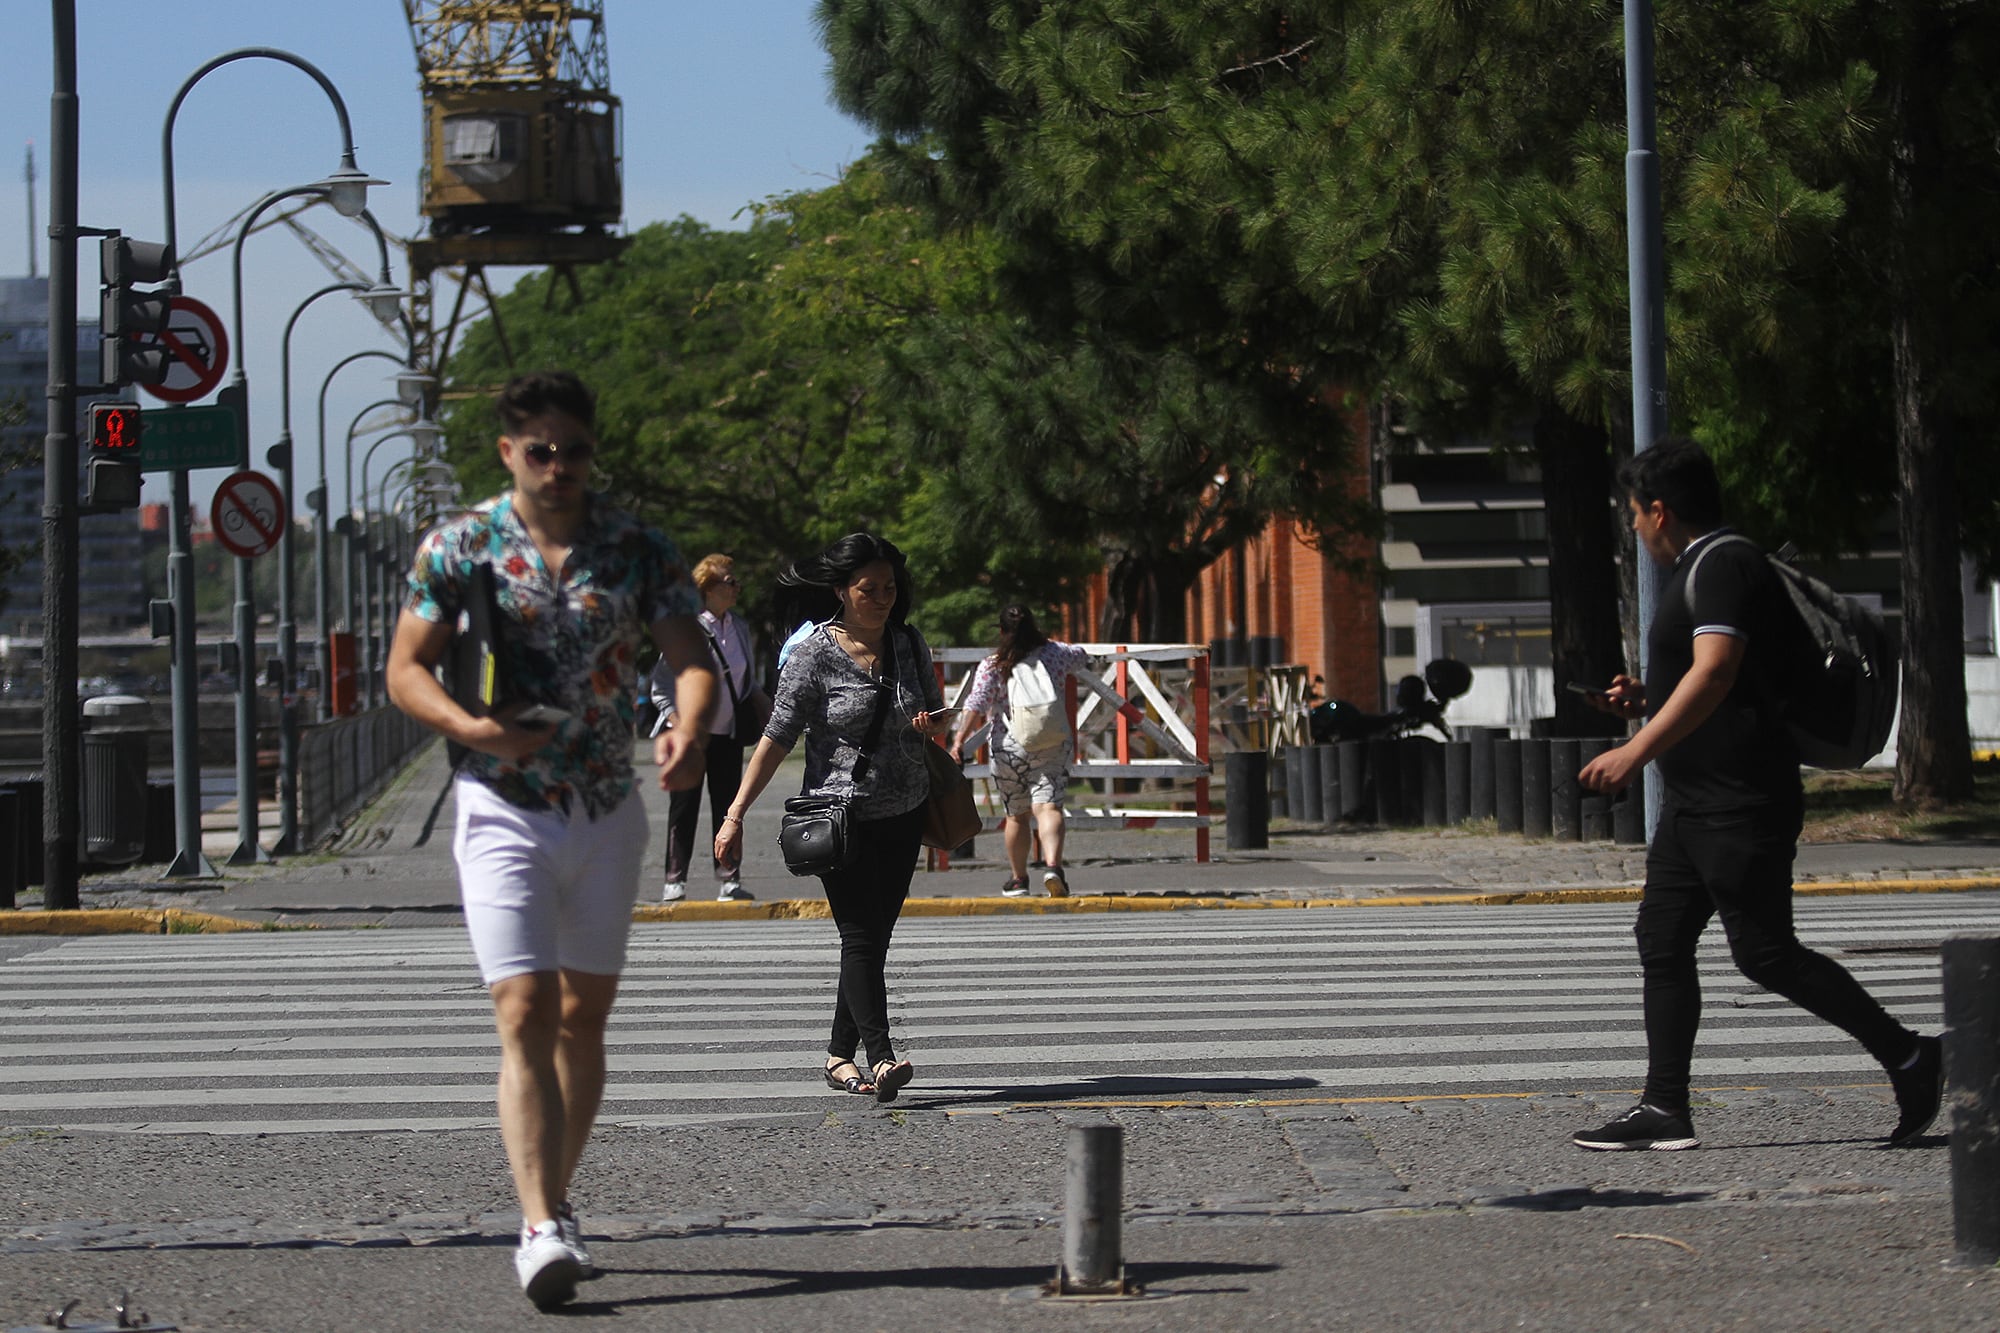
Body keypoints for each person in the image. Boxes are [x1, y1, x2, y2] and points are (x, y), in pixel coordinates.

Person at [386, 371, 717, 1309]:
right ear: (508, 453)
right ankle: (538, 1224)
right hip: (501, 800)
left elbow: (689, 659)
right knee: (525, 1007)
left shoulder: (635, 546)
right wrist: (474, 728)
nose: (559, 464)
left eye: (573, 447)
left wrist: (688, 727)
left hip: (607, 803)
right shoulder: (460, 544)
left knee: (584, 1018)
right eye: (541, 449)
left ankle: (557, 1196)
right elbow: (404, 669)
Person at [1574, 436, 1941, 1152]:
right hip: (1695, 804)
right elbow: (1720, 681)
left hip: (1740, 800)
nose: (1633, 527)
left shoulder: (1724, 563)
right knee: (1661, 937)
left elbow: (1714, 674)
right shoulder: (1700, 568)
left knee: (1766, 953)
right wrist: (1642, 702)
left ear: (1659, 509)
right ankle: (1664, 1106)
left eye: (1633, 513)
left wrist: (1633, 750)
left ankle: (1912, 1054)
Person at [715, 533, 950, 1102]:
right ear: (842, 591)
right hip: (838, 819)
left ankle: (838, 1056)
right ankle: (882, 1056)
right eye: (868, 589)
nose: (882, 598)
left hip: (905, 810)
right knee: (860, 936)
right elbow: (776, 737)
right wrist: (735, 813)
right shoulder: (813, 655)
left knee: (872, 940)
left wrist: (929, 726)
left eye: (890, 588)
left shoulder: (908, 642)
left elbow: (935, 714)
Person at [950, 605, 1090, 897]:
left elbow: (976, 703)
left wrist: (959, 740)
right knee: (1048, 807)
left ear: (1001, 631)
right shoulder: (1055, 654)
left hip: (1008, 746)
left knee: (1017, 815)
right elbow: (1082, 655)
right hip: (1051, 740)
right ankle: (1053, 866)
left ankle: (1018, 879)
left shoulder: (993, 664)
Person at [652, 553, 767, 902]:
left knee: (729, 807)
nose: (737, 588)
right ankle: (675, 880)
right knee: (683, 808)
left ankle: (729, 879)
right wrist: (677, 725)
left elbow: (748, 682)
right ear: (708, 588)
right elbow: (661, 686)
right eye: (730, 583)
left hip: (728, 733)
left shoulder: (740, 627)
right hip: (692, 736)